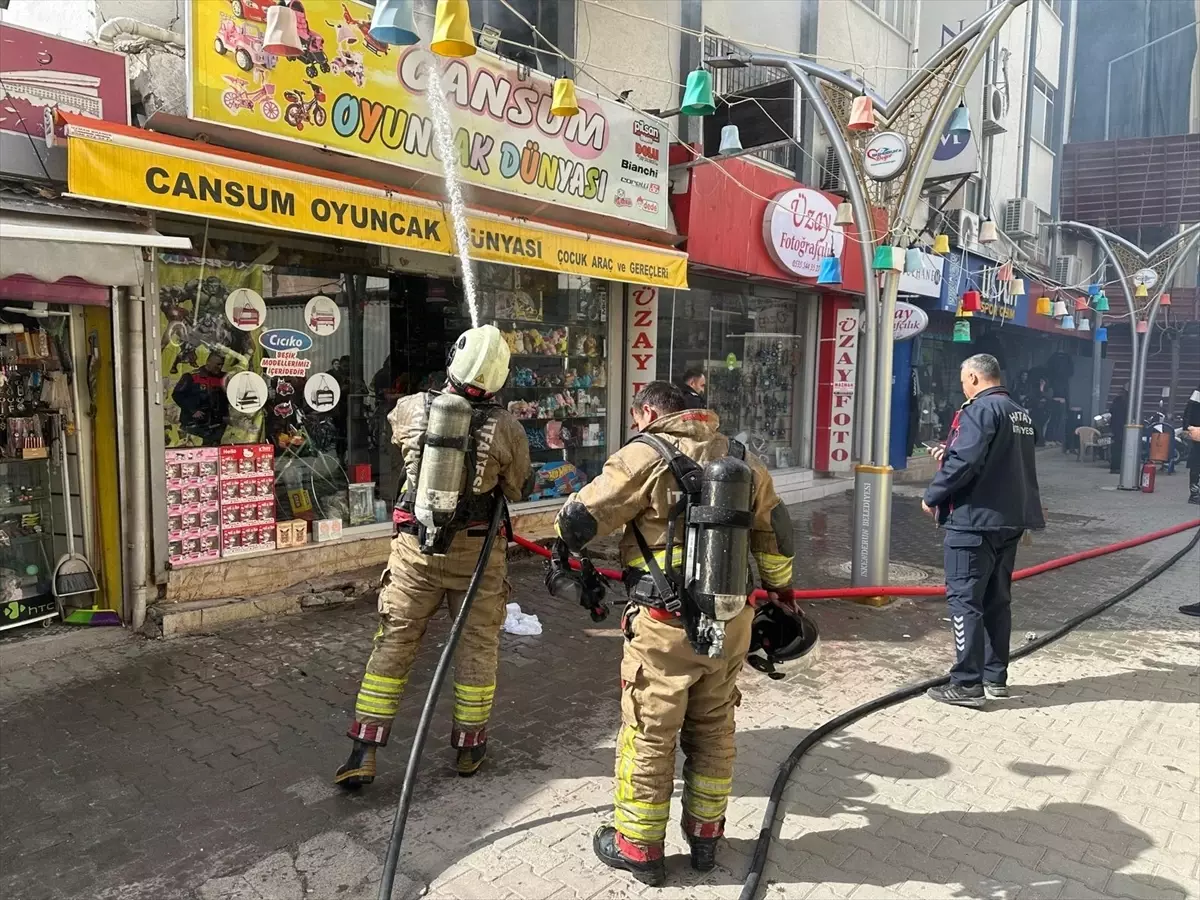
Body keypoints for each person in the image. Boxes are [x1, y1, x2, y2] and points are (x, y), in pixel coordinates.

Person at [553, 381, 796, 885]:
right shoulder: (744, 458)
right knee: (714, 729)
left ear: (649, 412)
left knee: (650, 734)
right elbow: (776, 535)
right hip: (731, 621)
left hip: (664, 628)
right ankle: (706, 838)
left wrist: (561, 536)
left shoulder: (644, 455)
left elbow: (580, 520)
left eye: (636, 417)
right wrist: (781, 594)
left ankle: (639, 847)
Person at [334, 325, 531, 788]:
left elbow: (397, 458)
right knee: (476, 646)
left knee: (395, 640)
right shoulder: (507, 426)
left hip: (415, 552)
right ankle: (469, 748)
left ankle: (363, 750)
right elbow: (517, 488)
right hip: (477, 556)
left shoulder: (408, 408)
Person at [922, 354, 1044, 708]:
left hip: (974, 521)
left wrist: (932, 496)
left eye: (964, 381)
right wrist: (951, 453)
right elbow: (998, 459)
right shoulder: (1019, 413)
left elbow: (966, 462)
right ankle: (995, 677)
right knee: (997, 600)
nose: (963, 387)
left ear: (975, 378)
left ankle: (966, 684)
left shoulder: (979, 410)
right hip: (1009, 520)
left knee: (965, 601)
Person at [172, 347, 228, 446]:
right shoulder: (191, 376)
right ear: (208, 362)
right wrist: (193, 410)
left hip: (216, 425)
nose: (220, 367)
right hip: (193, 425)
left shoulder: (224, 378)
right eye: (217, 364)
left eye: (221, 365)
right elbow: (177, 395)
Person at [1108, 383, 1130, 474]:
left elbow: (1111, 411)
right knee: (1122, 448)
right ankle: (1121, 466)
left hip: (1116, 427)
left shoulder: (1117, 400)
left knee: (1116, 448)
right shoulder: (1130, 401)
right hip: (1124, 427)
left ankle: (1115, 467)